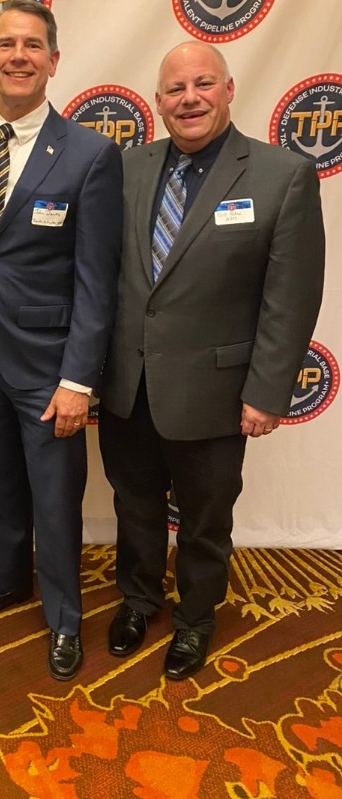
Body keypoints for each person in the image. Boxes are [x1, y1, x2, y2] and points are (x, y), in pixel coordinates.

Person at [98, 41, 325, 679]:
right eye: (175, 89)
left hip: (217, 392)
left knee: (204, 519)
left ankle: (196, 618)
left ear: (228, 90)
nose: (189, 98)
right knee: (134, 505)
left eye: (203, 84)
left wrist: (267, 392)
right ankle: (138, 601)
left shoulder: (282, 175)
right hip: (129, 385)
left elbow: (291, 298)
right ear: (159, 101)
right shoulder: (127, 168)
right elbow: (107, 278)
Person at [0, 0, 124, 680]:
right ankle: (7, 581)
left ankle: (64, 617)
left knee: (55, 497)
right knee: (0, 484)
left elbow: (96, 282)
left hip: (52, 368)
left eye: (32, 45)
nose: (17, 55)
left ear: (53, 61)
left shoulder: (90, 154)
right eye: (5, 44)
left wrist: (79, 380)